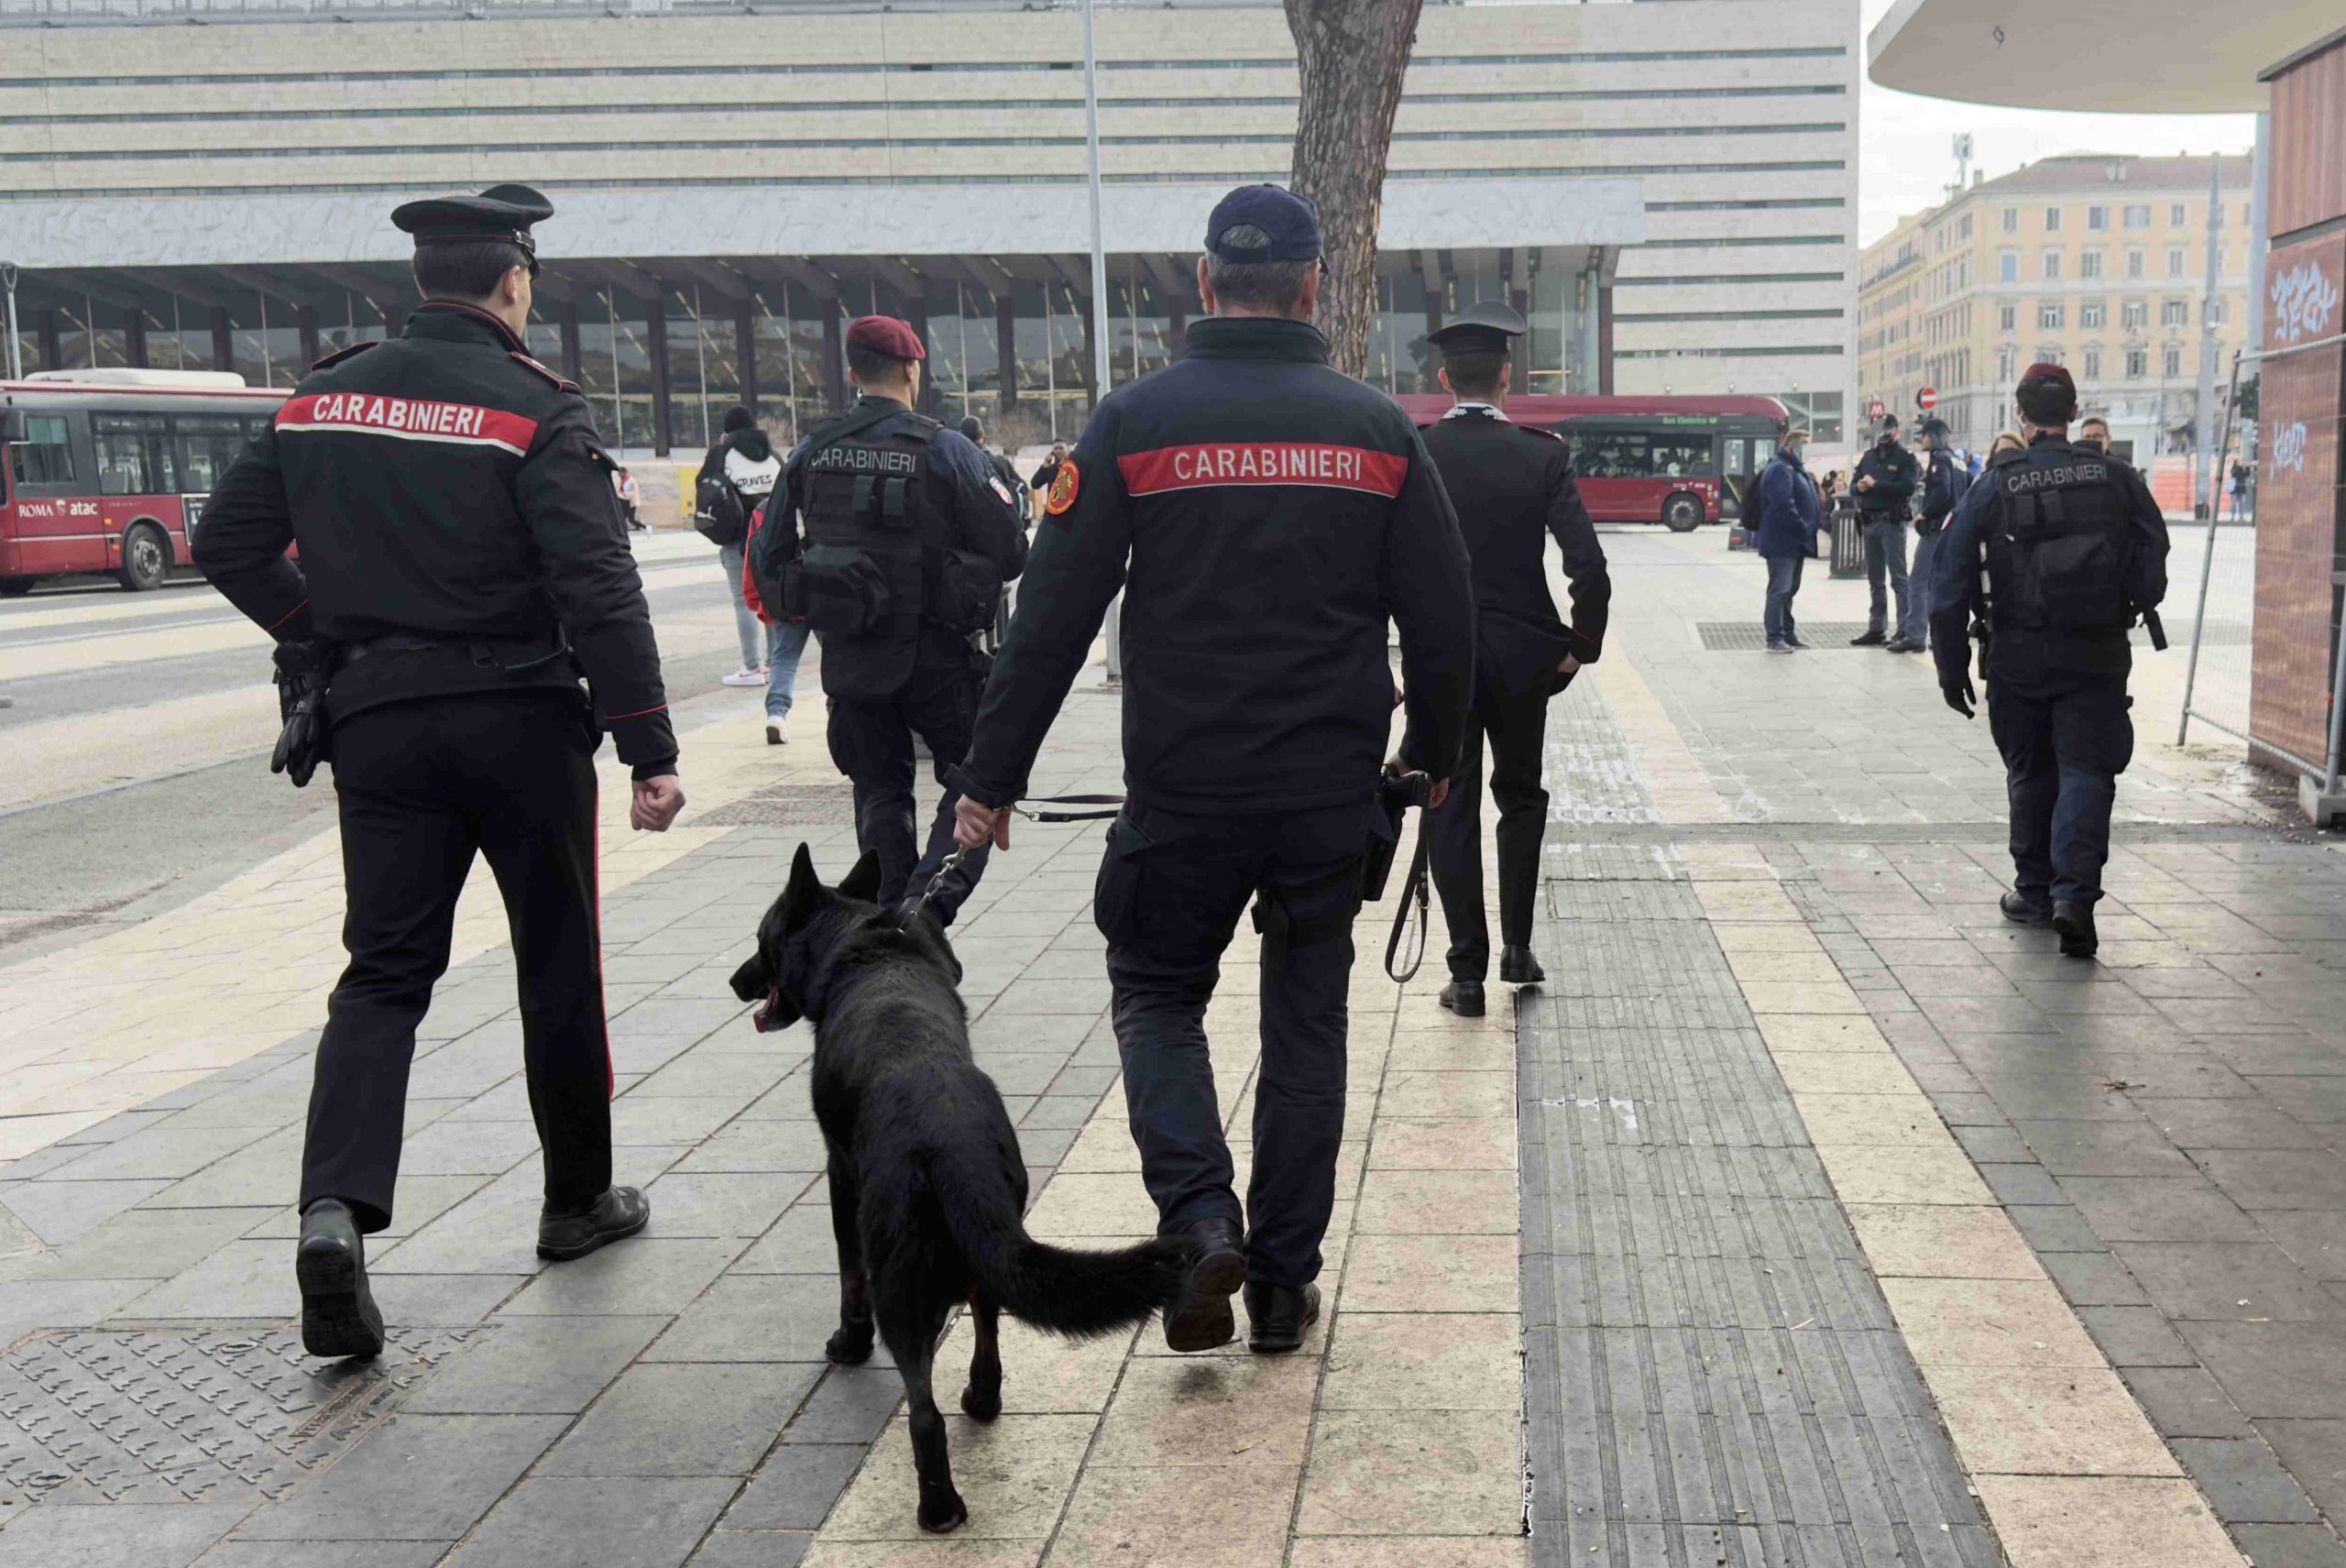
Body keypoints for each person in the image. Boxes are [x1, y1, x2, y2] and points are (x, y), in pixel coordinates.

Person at [945, 184, 1475, 1356]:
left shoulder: (1136, 421)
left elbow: (1051, 621)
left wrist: (988, 780)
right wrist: (1432, 757)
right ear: (1311, 287)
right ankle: (1284, 1283)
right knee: (1306, 1029)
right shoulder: (1378, 431)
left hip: (1180, 795)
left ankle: (1196, 1226)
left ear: (1200, 283)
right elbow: (1445, 624)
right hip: (1325, 798)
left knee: (1153, 994)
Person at [191, 184, 682, 1360]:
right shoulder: (530, 406)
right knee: (556, 958)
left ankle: (333, 1215)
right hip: (519, 716)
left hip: (381, 721)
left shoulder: (316, 401)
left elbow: (224, 544)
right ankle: (577, 1202)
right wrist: (648, 744)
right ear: (515, 283)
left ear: (419, 283)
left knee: (383, 973)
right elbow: (595, 584)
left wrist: (322, 630)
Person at [749, 315, 1026, 922]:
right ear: (912, 369)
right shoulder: (945, 448)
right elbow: (1011, 548)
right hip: (937, 659)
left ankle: (892, 916)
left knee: (879, 792)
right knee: (978, 783)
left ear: (852, 373)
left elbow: (768, 560)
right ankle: (921, 914)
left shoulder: (809, 452)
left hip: (851, 659)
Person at [1930, 363, 2168, 959]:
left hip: (2018, 654)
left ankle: (2035, 891)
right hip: (2097, 650)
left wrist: (1951, 666)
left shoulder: (1995, 483)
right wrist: (2131, 602)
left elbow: (1949, 580)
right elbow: (2154, 553)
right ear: (2072, 410)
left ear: (2021, 414)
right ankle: (2075, 899)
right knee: (2088, 770)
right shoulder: (2115, 476)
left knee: (2031, 772)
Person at [1412, 302, 1607, 1015]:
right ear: (1506, 375)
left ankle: (1465, 974)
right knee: (1520, 797)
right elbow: (1588, 563)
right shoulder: (1543, 453)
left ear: (1443, 377)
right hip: (1525, 659)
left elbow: (1386, 562)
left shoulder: (1420, 450)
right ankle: (1519, 948)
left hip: (1447, 660)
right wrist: (1580, 645)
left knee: (1450, 804)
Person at [701, 406, 808, 743]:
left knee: (743, 603)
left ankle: (752, 670)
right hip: (787, 551)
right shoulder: (773, 455)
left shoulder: (723, 453)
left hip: (742, 539)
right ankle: (768, 667)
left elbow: (705, 489)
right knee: (784, 624)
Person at [1850, 413, 1921, 652]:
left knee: (1899, 579)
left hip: (1891, 523)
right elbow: (1853, 485)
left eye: (1887, 429)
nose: (1883, 434)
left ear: (1895, 431)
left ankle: (1903, 629)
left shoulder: (1905, 458)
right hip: (1869, 522)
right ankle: (1877, 628)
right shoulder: (1868, 458)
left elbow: (1908, 487)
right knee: (1875, 580)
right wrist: (1858, 487)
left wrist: (1877, 485)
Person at [1755, 427, 1819, 653]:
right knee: (1780, 590)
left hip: (1795, 542)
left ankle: (1787, 634)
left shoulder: (1792, 467)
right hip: (1783, 541)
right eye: (1804, 445)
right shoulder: (1780, 469)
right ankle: (1775, 638)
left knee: (1789, 590)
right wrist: (1802, 527)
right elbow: (1784, 505)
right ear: (1792, 445)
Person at [1910, 417, 1969, 655]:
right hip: (1954, 532)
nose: (1921, 439)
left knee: (1918, 582)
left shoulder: (1939, 459)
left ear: (1933, 436)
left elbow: (1943, 491)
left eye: (1923, 434)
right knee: (1943, 586)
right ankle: (1942, 636)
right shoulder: (1959, 461)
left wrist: (1924, 513)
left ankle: (1915, 635)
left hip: (1936, 530)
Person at [1028, 441, 1069, 526]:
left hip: (1071, 511)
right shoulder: (1050, 469)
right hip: (1054, 512)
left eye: (1061, 448)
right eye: (1055, 449)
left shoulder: (1073, 468)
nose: (1058, 451)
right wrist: (1044, 466)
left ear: (1067, 451)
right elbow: (1035, 484)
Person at [614, 465, 644, 532]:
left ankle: (644, 527)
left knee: (631, 519)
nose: (619, 474)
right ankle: (624, 529)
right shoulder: (623, 480)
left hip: (631, 502)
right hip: (624, 501)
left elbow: (634, 491)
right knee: (622, 516)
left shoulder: (630, 480)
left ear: (624, 472)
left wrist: (623, 494)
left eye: (620, 473)